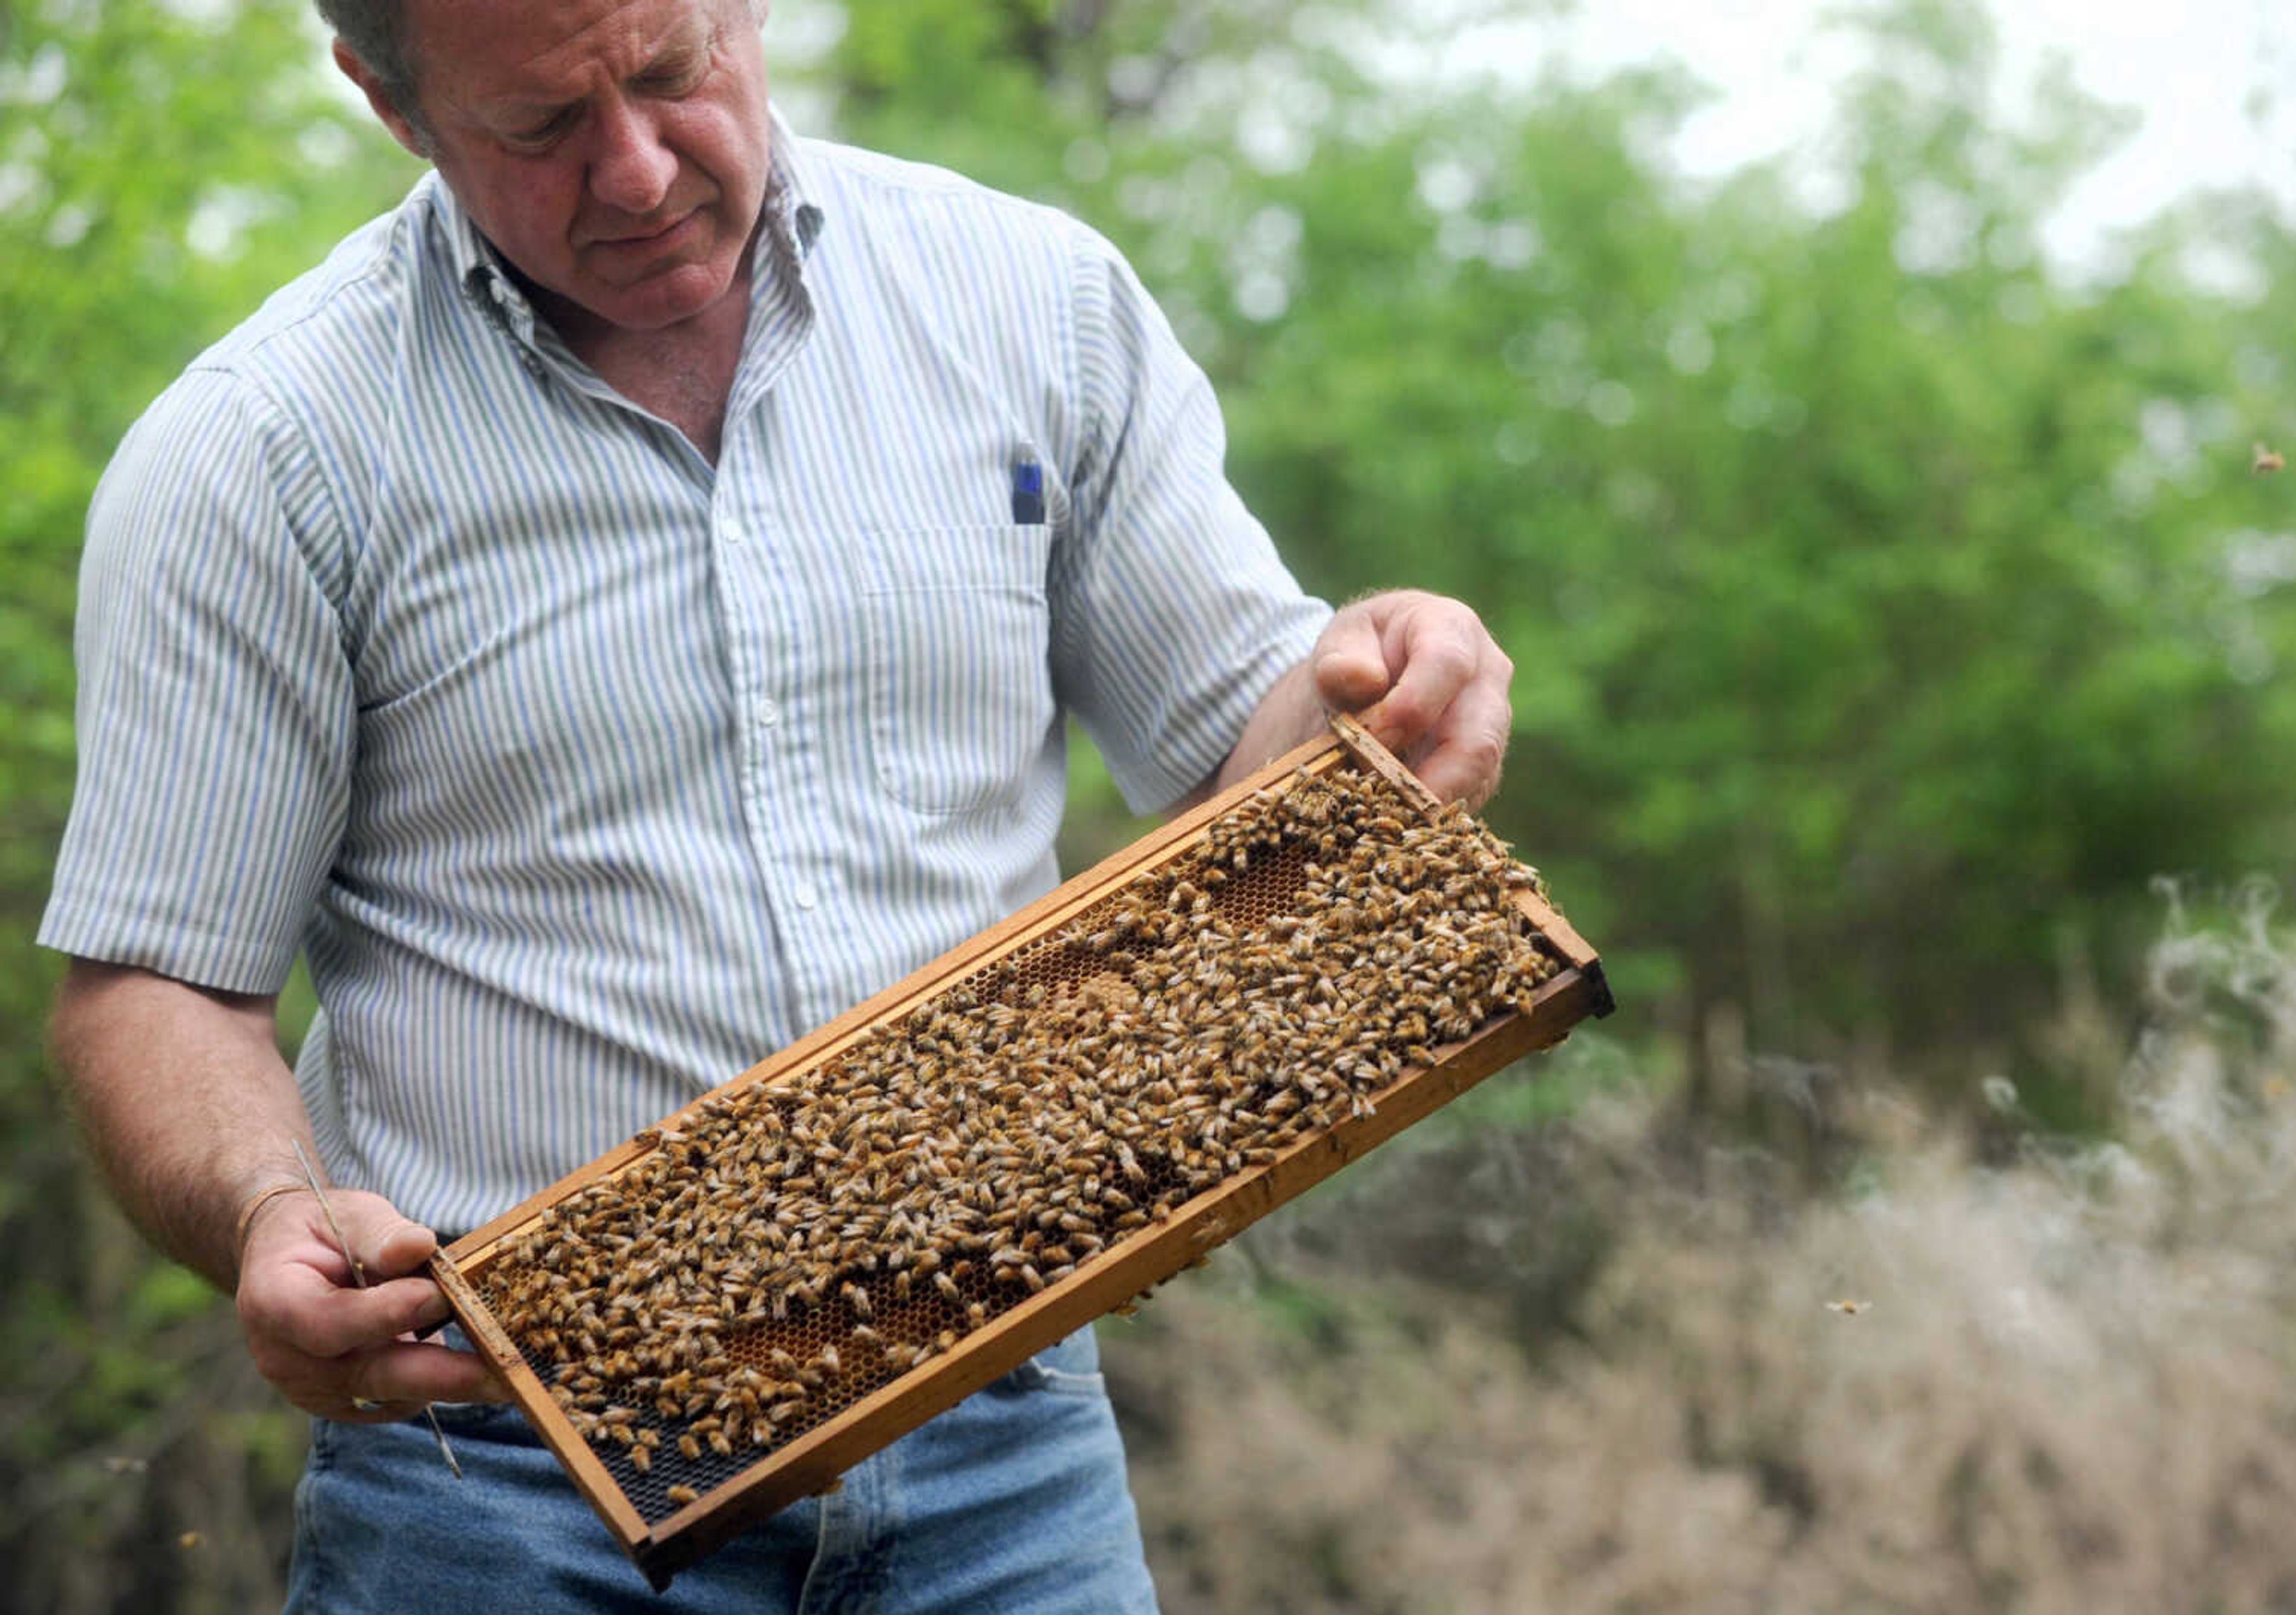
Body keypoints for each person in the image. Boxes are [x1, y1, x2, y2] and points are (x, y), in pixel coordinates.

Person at [40, 1, 1515, 1609]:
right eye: (543, 129)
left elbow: (1255, 751)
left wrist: (1383, 680)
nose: (641, 168)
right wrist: (270, 1208)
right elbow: (157, 977)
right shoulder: (263, 450)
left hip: (1005, 1427)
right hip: (512, 1482)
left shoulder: (1031, 304)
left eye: (674, 72)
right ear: (391, 103)